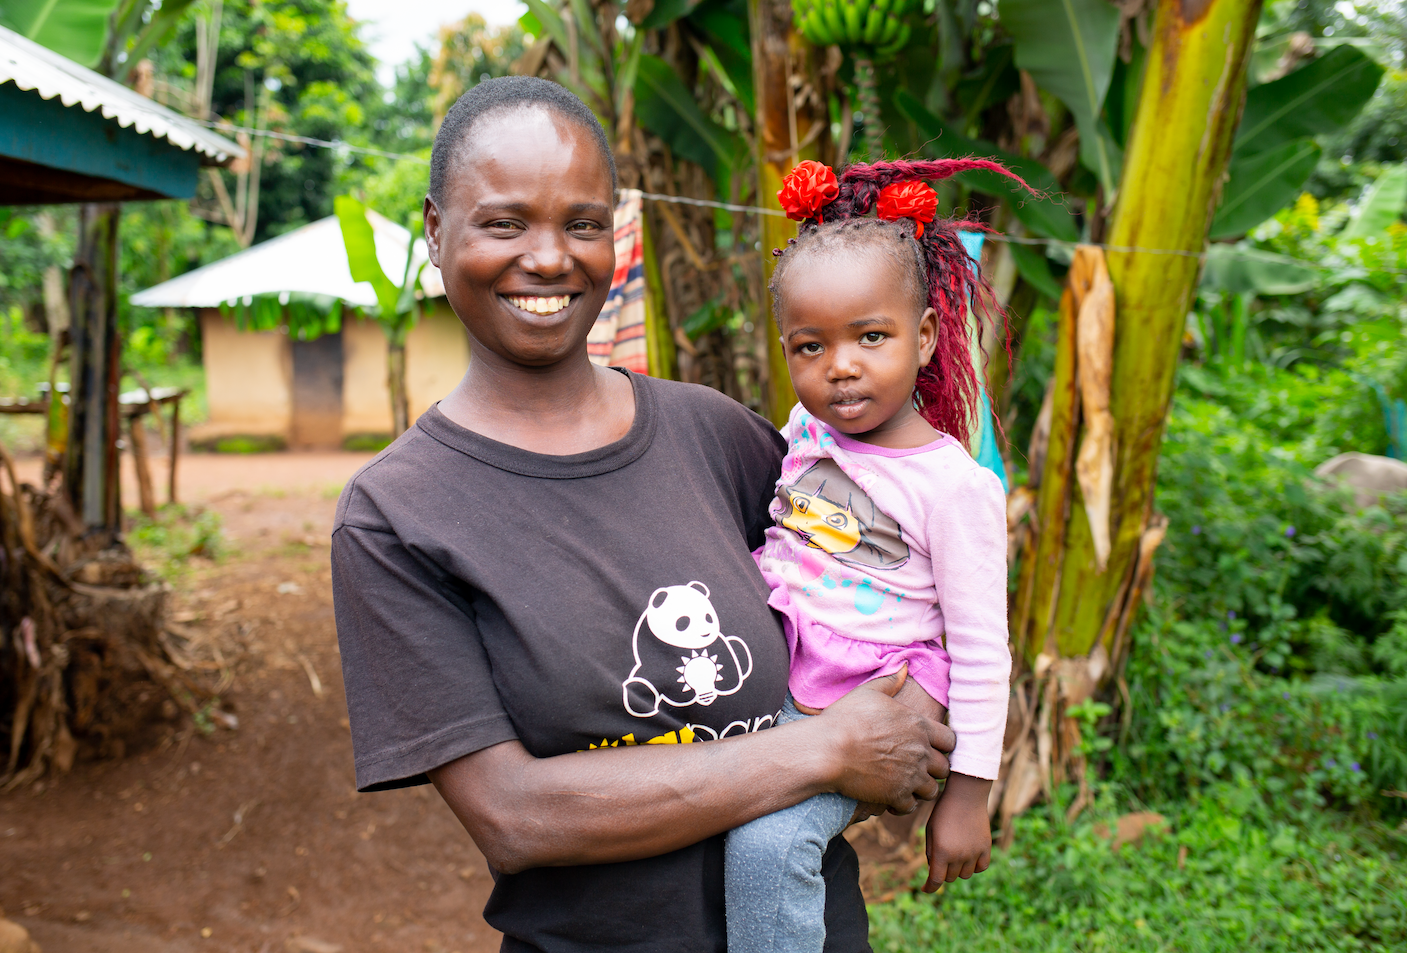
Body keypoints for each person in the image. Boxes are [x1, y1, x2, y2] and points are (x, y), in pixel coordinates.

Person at [330, 76, 956, 953]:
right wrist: (820, 753)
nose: (550, 259)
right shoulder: (398, 518)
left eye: (583, 224)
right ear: (437, 230)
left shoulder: (717, 437)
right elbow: (515, 817)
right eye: (506, 222)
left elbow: (894, 577)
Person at [723, 159, 1017, 953]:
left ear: (924, 338)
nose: (840, 365)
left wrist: (967, 796)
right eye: (810, 346)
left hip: (876, 699)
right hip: (787, 672)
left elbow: (984, 650)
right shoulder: (805, 426)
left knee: (766, 846)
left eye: (872, 337)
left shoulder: (951, 486)